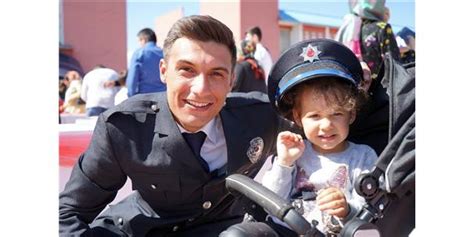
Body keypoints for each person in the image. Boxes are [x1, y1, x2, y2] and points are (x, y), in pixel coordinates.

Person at [59, 15, 288, 236]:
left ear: (231, 81)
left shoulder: (261, 116)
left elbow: (319, 131)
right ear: (163, 71)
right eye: (187, 70)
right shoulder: (124, 127)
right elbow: (68, 212)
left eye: (216, 74)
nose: (200, 89)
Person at [221, 39, 378, 237]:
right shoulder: (296, 152)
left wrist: (347, 209)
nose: (326, 125)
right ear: (298, 118)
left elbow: (371, 209)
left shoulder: (363, 156)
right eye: (315, 116)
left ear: (351, 114)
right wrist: (284, 163)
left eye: (337, 114)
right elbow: (270, 200)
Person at [335, 0, 400, 89]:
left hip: (357, 91)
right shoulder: (382, 27)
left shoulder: (348, 29)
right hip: (382, 93)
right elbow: (395, 65)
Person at [126, 28, 166, 97]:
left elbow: (132, 79)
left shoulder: (139, 53)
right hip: (163, 96)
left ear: (143, 40)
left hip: (145, 97)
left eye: (138, 41)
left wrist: (131, 96)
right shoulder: (164, 53)